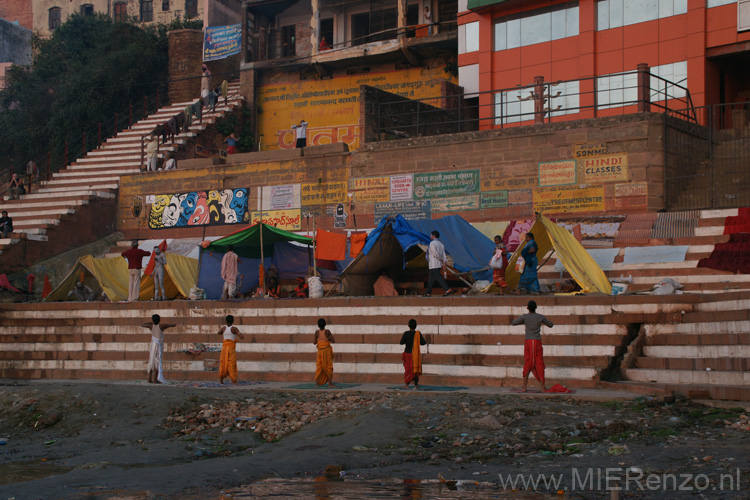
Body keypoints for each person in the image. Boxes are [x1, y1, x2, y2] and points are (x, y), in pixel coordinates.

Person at [511, 300, 553, 392]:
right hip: (537, 341)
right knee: (539, 363)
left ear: (527, 308)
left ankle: (524, 387)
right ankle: (542, 388)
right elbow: (551, 325)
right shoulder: (540, 317)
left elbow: (514, 322)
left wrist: (524, 322)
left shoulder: (525, 317)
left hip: (529, 342)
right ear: (536, 308)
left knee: (528, 362)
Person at [141, 314, 176, 384]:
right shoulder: (161, 326)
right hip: (158, 346)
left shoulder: (150, 326)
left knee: (151, 361)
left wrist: (151, 322)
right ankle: (155, 380)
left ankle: (149, 379)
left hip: (153, 345)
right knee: (157, 361)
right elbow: (172, 325)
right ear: (159, 320)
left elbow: (142, 324)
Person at [423, 230, 454, 297]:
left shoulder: (432, 244)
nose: (430, 236)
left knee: (438, 277)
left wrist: (441, 260)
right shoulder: (441, 244)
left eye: (431, 235)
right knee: (431, 278)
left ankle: (447, 289)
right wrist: (444, 262)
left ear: (433, 236)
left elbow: (435, 254)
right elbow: (443, 254)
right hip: (438, 264)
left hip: (434, 264)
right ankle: (428, 292)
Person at [400, 318, 427, 390]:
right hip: (415, 355)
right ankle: (416, 385)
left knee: (408, 370)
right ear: (416, 326)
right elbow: (423, 343)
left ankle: (406, 384)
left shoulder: (406, 333)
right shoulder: (417, 334)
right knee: (415, 370)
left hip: (407, 354)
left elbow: (401, 342)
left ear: (408, 326)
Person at [218, 314, 245, 385]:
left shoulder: (223, 328)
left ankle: (221, 380)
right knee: (231, 364)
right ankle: (233, 380)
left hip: (224, 348)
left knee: (223, 363)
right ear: (233, 321)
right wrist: (238, 333)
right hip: (231, 349)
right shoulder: (234, 329)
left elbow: (218, 333)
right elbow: (242, 337)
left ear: (226, 321)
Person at [313, 318, 335, 386]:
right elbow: (333, 341)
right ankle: (330, 384)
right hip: (327, 351)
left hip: (320, 351)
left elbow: (314, 342)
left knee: (319, 366)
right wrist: (327, 338)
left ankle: (317, 384)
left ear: (318, 325)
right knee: (328, 366)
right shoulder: (327, 332)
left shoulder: (317, 332)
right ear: (325, 324)